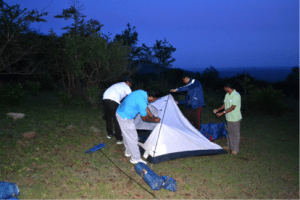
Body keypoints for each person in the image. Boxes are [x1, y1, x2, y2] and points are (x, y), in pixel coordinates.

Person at [116, 89, 161, 164]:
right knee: (133, 138)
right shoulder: (142, 102)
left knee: (126, 134)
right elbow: (144, 118)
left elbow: (146, 109)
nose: (154, 101)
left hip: (120, 112)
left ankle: (128, 152)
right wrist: (153, 120)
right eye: (155, 99)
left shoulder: (142, 93)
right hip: (125, 118)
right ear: (152, 97)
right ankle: (135, 159)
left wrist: (153, 116)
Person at [213, 82, 242, 155]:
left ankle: (235, 149)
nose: (224, 89)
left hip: (235, 118)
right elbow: (225, 104)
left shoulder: (236, 95)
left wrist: (222, 113)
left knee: (235, 134)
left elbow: (233, 107)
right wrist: (218, 110)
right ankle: (229, 146)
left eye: (224, 88)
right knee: (230, 132)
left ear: (227, 88)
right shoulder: (227, 95)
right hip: (229, 117)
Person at [102, 78, 133, 145]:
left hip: (104, 99)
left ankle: (109, 134)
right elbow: (130, 97)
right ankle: (119, 139)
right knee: (118, 120)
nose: (130, 86)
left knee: (108, 118)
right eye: (131, 84)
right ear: (128, 82)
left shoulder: (118, 84)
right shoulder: (126, 86)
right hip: (113, 100)